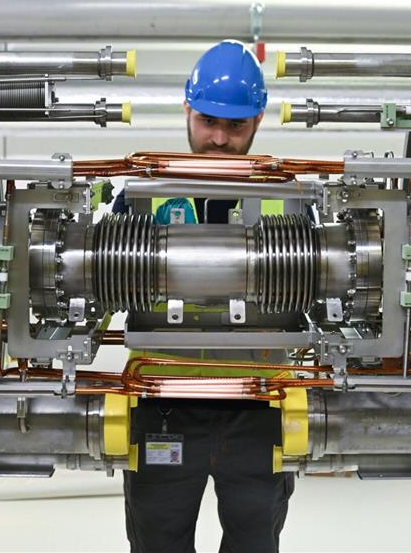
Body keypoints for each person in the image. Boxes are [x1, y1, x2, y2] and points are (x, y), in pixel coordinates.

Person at [114, 40, 295, 553]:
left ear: (257, 122)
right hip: (165, 404)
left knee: (254, 543)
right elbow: (98, 282)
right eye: (209, 122)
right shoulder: (143, 195)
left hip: (257, 406)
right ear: (187, 111)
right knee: (158, 543)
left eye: (234, 127)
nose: (219, 139)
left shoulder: (288, 197)